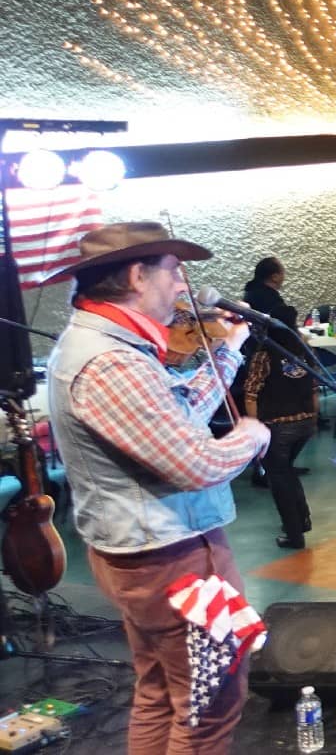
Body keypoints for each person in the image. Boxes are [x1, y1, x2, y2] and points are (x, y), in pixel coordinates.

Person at [44, 223, 271, 754]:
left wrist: (230, 352)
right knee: (209, 707)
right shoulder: (111, 362)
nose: (181, 286)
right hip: (170, 561)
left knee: (164, 696)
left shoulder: (106, 345)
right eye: (173, 272)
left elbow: (175, 418)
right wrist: (250, 437)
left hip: (150, 556)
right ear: (136, 274)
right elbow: (192, 463)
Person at [238, 257, 316, 549]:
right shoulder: (304, 352)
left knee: (279, 477)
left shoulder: (262, 355)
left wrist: (255, 428)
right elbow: (315, 388)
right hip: (305, 423)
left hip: (278, 426)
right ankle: (303, 518)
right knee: (286, 471)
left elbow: (251, 393)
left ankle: (294, 532)